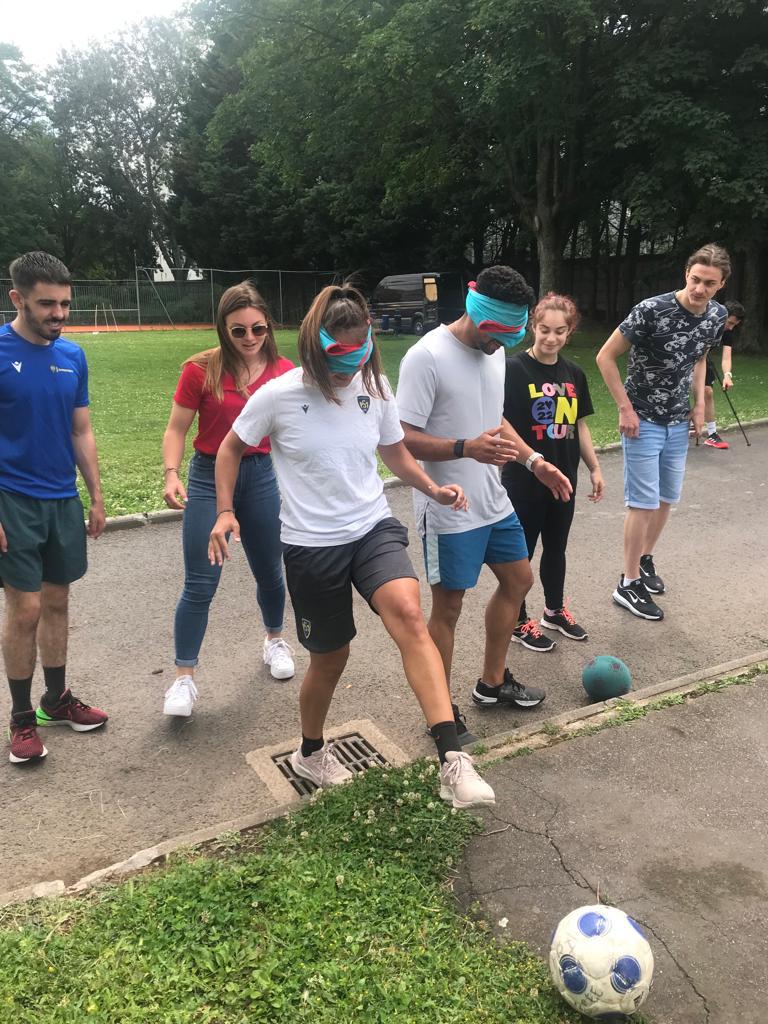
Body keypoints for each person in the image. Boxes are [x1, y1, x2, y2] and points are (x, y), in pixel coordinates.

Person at [209, 284, 495, 808]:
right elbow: (229, 449)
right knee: (330, 658)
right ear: (314, 346)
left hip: (371, 527)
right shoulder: (277, 396)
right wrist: (225, 510)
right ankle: (311, 752)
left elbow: (395, 451)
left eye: (358, 354)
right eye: (338, 359)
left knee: (409, 614)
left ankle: (452, 759)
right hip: (311, 545)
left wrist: (430, 487)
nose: (348, 369)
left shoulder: (375, 386)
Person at [396, 266, 572, 715]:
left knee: (519, 580)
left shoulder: (495, 352)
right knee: (449, 607)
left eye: (511, 337)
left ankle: (492, 684)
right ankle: (441, 709)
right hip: (448, 503)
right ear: (476, 313)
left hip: (494, 499)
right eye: (498, 334)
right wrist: (464, 448)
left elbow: (496, 420)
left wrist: (534, 462)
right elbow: (401, 437)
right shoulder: (426, 356)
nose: (501, 345)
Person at [162, 282, 295, 717]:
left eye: (258, 328)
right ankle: (183, 678)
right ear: (224, 329)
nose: (250, 338)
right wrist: (170, 473)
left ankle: (274, 640)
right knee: (200, 582)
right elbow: (176, 428)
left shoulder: (285, 372)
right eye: (238, 331)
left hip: (259, 476)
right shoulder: (200, 370)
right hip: (206, 478)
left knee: (269, 571)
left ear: (268, 326)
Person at [0, 251, 108, 764]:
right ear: (17, 298)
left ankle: (55, 700)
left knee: (58, 601)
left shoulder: (73, 356)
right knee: (25, 608)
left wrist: (96, 495)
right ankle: (22, 718)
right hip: (12, 499)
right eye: (47, 304)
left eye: (65, 303)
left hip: (62, 497)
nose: (59, 314)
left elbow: (80, 429)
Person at [596, 243, 729, 621]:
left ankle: (644, 560)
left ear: (721, 285)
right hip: (642, 419)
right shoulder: (651, 310)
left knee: (667, 497)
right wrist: (625, 408)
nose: (699, 289)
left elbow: (700, 357)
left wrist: (699, 405)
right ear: (686, 274)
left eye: (709, 283)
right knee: (643, 502)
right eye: (695, 279)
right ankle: (627, 583)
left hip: (677, 419)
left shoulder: (717, 315)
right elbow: (605, 356)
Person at [502, 293, 604, 652]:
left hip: (564, 480)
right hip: (524, 479)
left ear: (569, 331)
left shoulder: (574, 373)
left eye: (560, 331)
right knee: (522, 554)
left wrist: (594, 467)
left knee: (556, 547)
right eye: (545, 329)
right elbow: (499, 421)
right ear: (533, 326)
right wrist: (531, 461)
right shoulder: (513, 369)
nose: (551, 338)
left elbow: (579, 425)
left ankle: (554, 611)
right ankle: (517, 620)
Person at [700, 300, 745, 449]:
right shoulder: (706, 322)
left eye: (734, 325)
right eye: (730, 322)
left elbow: (726, 357)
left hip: (703, 359)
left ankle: (712, 434)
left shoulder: (728, 332)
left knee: (708, 391)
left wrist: (727, 375)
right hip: (684, 358)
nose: (730, 327)